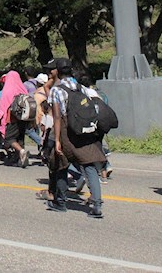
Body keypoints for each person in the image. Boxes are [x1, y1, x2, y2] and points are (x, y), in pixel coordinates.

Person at [49, 59, 106, 218]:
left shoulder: (57, 90)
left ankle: (60, 201)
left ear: (58, 72)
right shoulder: (81, 87)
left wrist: (58, 140)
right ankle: (96, 204)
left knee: (61, 164)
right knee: (89, 165)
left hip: (68, 132)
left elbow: (57, 117)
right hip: (84, 130)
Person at [0, 70, 30, 167]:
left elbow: (3, 106)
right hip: (23, 119)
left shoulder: (8, 90)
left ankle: (21, 151)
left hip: (11, 119)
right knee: (20, 138)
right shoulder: (23, 89)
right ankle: (19, 159)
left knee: (9, 139)